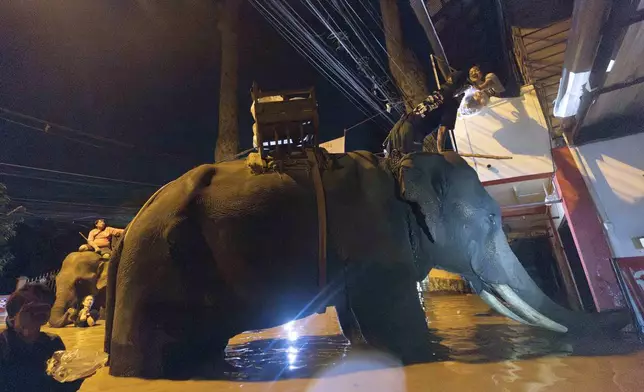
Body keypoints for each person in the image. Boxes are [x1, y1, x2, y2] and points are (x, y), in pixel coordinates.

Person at [0, 284, 82, 391]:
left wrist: (77, 377)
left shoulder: (52, 343)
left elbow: (60, 388)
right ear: (12, 317)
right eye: (29, 310)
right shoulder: (3, 346)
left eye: (41, 310)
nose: (34, 316)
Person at [384, 71, 467, 157]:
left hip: (402, 125)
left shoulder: (440, 91)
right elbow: (442, 131)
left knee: (388, 161)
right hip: (411, 134)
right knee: (410, 165)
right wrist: (441, 152)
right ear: (460, 87)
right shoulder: (451, 105)